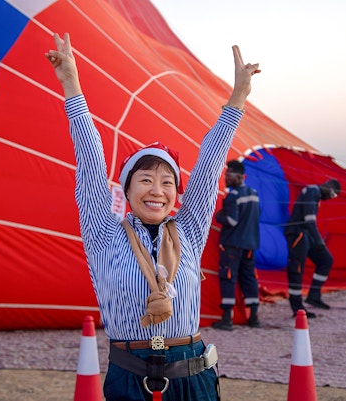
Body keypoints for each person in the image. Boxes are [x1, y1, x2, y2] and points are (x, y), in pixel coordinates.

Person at [45, 32, 260, 401]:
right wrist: (72, 88)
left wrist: (237, 100)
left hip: (192, 377)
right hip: (129, 378)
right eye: (144, 179)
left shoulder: (189, 232)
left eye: (166, 182)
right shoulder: (104, 234)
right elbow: (91, 164)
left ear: (176, 194)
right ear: (127, 192)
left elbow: (208, 167)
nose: (156, 190)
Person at [212, 160, 261, 330]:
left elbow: (231, 220)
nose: (226, 177)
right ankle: (254, 317)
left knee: (228, 278)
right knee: (249, 278)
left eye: (229, 174)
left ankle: (227, 319)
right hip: (250, 245)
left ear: (239, 176)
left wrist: (218, 216)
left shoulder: (233, 196)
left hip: (232, 244)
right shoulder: (254, 193)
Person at [284, 179, 341, 318]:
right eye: (333, 195)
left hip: (307, 235)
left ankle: (314, 295)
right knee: (297, 270)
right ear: (329, 188)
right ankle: (297, 308)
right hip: (298, 234)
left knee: (326, 260)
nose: (330, 199)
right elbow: (309, 219)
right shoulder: (312, 191)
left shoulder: (316, 194)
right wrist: (318, 240)